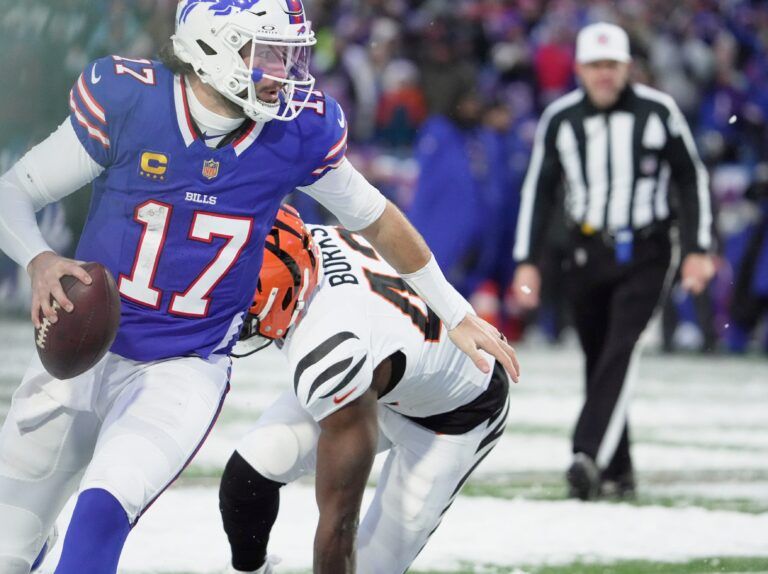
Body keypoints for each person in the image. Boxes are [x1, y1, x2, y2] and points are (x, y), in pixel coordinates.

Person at [0, 2, 518, 573]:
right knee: (9, 547)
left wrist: (456, 311)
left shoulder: (293, 134)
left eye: (293, 54)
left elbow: (378, 218)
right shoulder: (130, 101)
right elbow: (13, 193)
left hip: (182, 368)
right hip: (82, 354)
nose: (288, 72)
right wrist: (40, 259)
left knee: (101, 514)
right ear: (213, 46)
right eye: (271, 53)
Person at [219, 206, 514, 574]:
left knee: (365, 567)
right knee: (246, 480)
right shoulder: (299, 244)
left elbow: (340, 521)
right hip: (382, 364)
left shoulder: (329, 349)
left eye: (246, 308)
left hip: (452, 415)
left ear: (281, 297)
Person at [511, 22, 715, 500]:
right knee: (598, 354)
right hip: (585, 252)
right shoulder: (561, 119)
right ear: (579, 69)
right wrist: (527, 261)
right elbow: (538, 191)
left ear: (628, 68)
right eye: (595, 66)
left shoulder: (657, 111)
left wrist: (697, 249)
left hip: (646, 249)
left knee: (621, 345)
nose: (604, 75)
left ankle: (586, 454)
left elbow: (691, 179)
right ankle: (619, 470)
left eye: (612, 65)